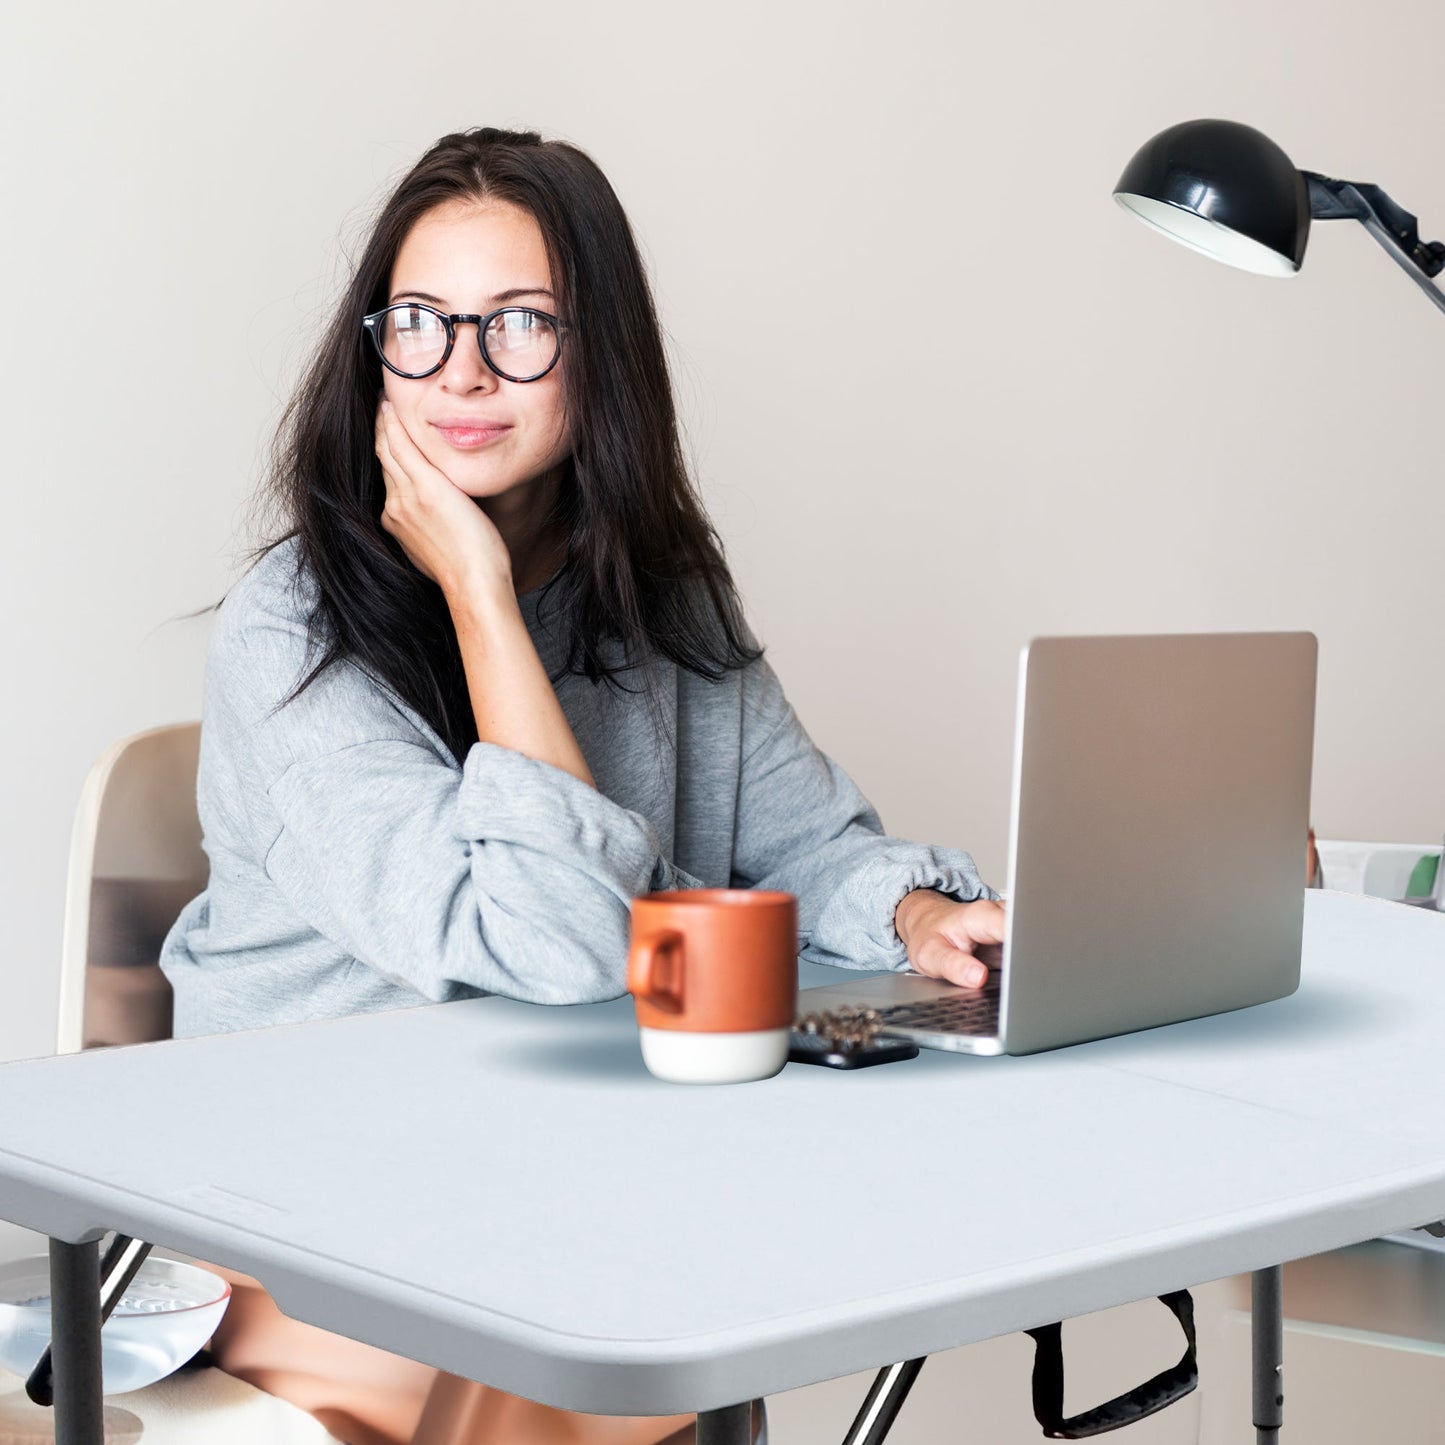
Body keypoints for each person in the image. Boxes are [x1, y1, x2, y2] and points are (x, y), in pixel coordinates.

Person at [159, 126, 1004, 1445]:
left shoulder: (660, 596)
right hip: (293, 1205)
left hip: (557, 1184)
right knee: (627, 1366)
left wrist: (913, 918)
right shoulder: (293, 624)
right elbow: (548, 946)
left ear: (597, 352)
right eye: (422, 323)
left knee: (687, 1329)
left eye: (521, 326)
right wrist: (481, 598)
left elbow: (802, 841)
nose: (462, 371)